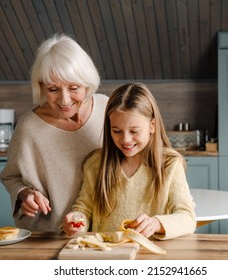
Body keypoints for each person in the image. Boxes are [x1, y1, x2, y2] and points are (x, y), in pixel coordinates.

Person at [0, 34, 108, 231]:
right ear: (41, 87)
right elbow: (11, 177)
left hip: (102, 231)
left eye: (74, 88)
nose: (64, 100)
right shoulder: (28, 128)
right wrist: (25, 193)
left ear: (87, 83)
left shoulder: (107, 109)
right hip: (49, 234)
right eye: (53, 89)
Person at [62, 83, 196, 240]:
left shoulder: (169, 164)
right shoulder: (95, 164)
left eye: (134, 131)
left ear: (152, 125)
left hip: (150, 257)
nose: (125, 139)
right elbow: (84, 209)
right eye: (116, 131)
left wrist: (155, 224)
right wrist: (77, 221)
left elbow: (187, 217)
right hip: (107, 256)